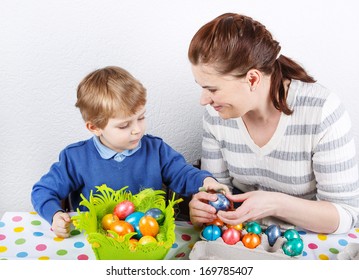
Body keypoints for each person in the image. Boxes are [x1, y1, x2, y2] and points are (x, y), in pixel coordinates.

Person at [187, 13, 359, 234]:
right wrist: (204, 206)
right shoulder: (217, 114)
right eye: (201, 87)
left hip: (307, 241)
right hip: (242, 238)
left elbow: (346, 215)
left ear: (253, 79)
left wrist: (275, 204)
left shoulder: (321, 111)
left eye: (212, 89)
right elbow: (219, 191)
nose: (204, 100)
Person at [31, 66, 228, 238]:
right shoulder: (75, 158)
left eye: (141, 118)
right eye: (124, 125)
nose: (137, 130)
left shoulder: (156, 150)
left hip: (149, 241)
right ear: (94, 127)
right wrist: (55, 215)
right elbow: (42, 191)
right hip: (95, 242)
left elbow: (183, 174)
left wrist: (206, 181)